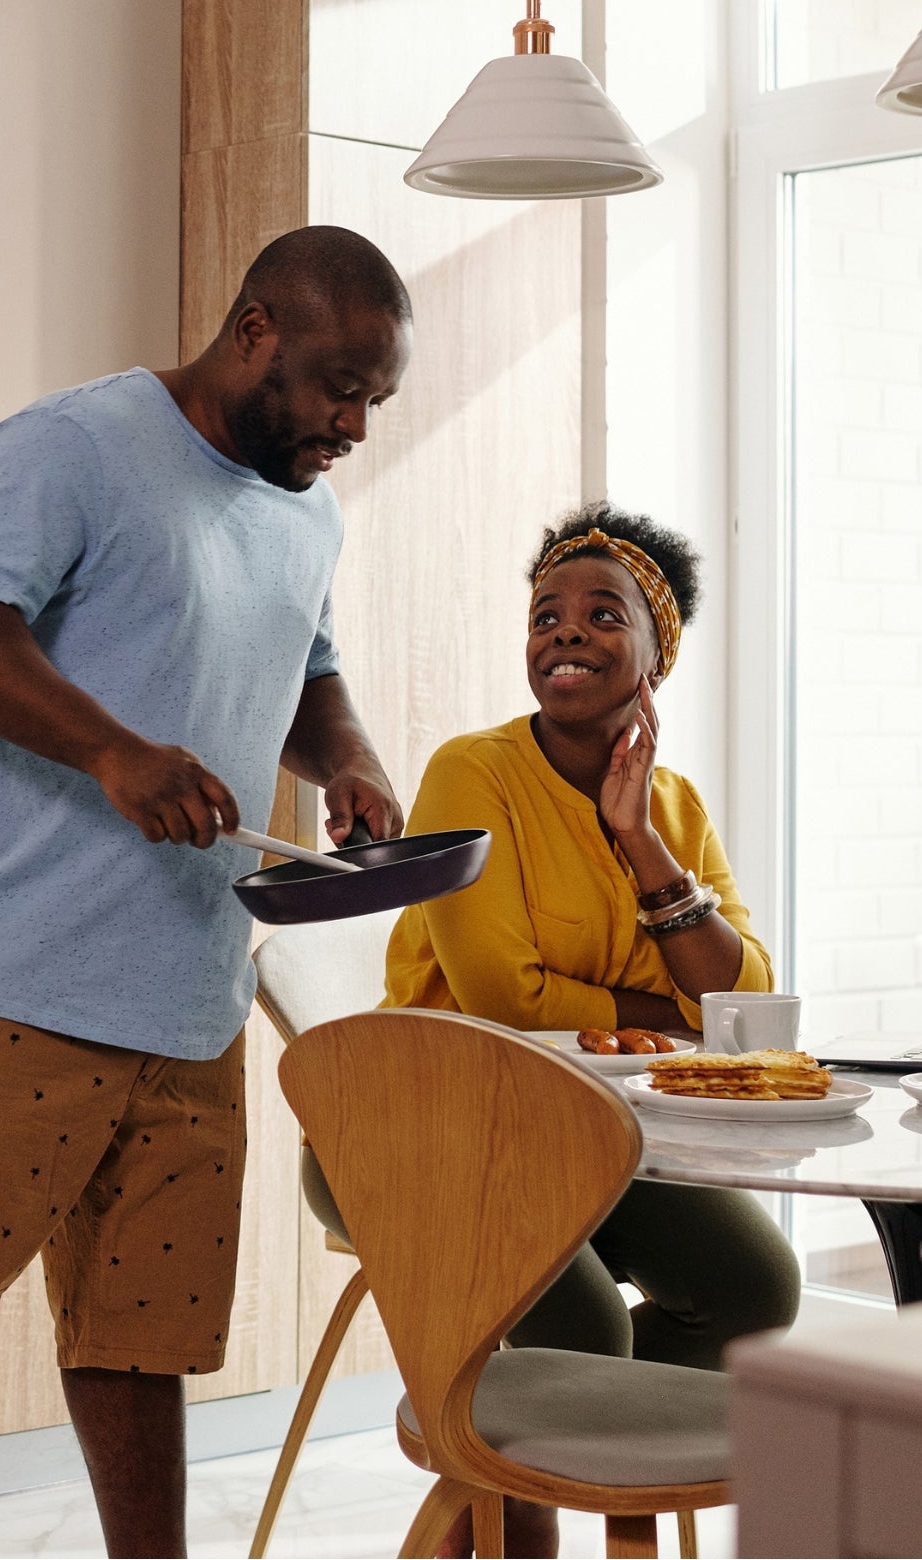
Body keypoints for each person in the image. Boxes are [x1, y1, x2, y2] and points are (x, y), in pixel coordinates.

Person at [0, 225, 414, 1559]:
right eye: (336, 389)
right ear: (256, 331)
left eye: (375, 399)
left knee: (140, 1339)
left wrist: (349, 755)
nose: (351, 424)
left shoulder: (309, 508)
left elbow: (304, 662)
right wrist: (110, 750)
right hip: (14, 978)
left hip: (192, 995)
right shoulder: (74, 446)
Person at [382, 503, 801, 1559]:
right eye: (545, 614)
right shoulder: (469, 773)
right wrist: (668, 1013)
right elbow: (506, 1000)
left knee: (753, 1288)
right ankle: (520, 1520)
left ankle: (601, 1490)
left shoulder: (676, 805)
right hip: (428, 1123)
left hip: (598, 1137)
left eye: (601, 613)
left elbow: (745, 1005)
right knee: (578, 1327)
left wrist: (641, 843)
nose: (563, 632)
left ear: (658, 656)